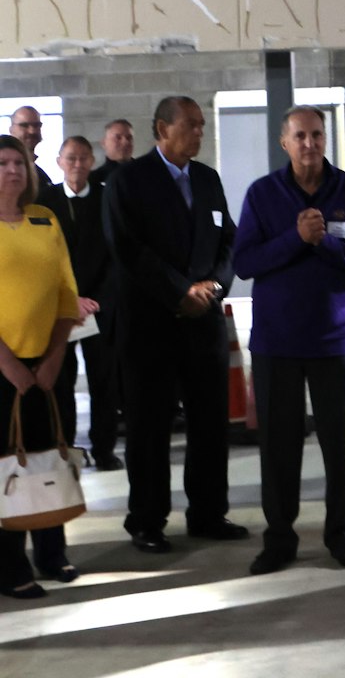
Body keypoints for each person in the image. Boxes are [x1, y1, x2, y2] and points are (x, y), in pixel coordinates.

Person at [233, 106, 345, 575]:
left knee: (342, 446)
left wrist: (325, 243)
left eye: (317, 135)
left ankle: (343, 534)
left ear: (326, 139)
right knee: (278, 446)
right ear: (284, 142)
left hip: (340, 340)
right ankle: (279, 539)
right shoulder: (263, 194)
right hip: (278, 343)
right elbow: (245, 263)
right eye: (300, 136)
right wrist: (296, 238)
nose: (309, 144)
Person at [103, 96, 246, 553]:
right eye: (191, 125)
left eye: (202, 126)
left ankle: (208, 512)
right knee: (149, 428)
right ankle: (146, 519)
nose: (199, 134)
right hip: (150, 326)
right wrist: (179, 291)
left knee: (210, 423)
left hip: (202, 324)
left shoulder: (208, 180)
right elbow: (128, 250)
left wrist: (213, 289)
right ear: (162, 129)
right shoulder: (129, 180)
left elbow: (228, 241)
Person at [0, 135, 82, 598]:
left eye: (18, 163)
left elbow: (66, 295)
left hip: (47, 362)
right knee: (7, 465)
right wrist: (8, 364)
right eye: (2, 163)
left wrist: (53, 357)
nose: (12, 171)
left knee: (48, 454)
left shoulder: (43, 219)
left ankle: (53, 553)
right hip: (3, 367)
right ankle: (9, 567)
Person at [36, 135, 121, 470]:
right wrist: (71, 299)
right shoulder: (46, 201)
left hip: (100, 307)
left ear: (92, 162)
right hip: (61, 308)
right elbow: (44, 259)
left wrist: (96, 299)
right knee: (62, 380)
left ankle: (104, 449)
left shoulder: (106, 197)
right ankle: (66, 446)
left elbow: (117, 254)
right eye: (70, 158)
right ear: (59, 161)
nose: (77, 165)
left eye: (83, 158)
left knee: (104, 381)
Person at [8, 105, 51, 193]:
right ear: (11, 130)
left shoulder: (41, 176)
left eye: (37, 125)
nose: (32, 131)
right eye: (24, 125)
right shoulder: (6, 171)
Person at [89, 119, 135, 186]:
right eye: (118, 138)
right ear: (104, 143)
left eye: (129, 138)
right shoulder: (93, 180)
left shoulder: (147, 173)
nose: (125, 142)